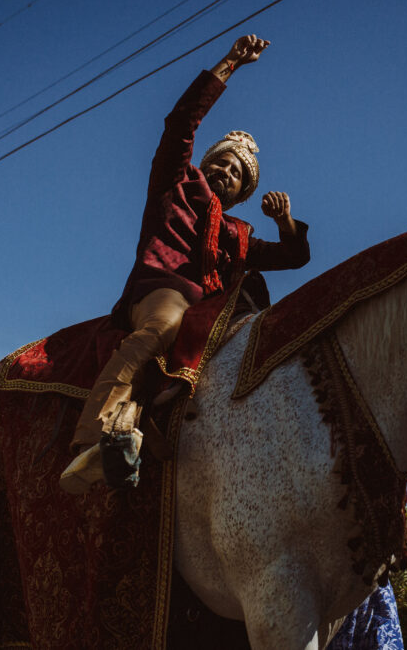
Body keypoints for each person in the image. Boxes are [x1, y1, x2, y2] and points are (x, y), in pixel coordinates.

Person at [59, 34, 311, 494]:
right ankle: (94, 437)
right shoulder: (173, 184)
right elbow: (180, 123)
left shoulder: (239, 236)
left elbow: (295, 257)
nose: (226, 173)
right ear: (205, 164)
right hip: (162, 291)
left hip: (209, 312)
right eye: (222, 164)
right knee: (166, 324)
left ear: (241, 193)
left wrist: (285, 222)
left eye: (236, 174)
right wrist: (230, 63)